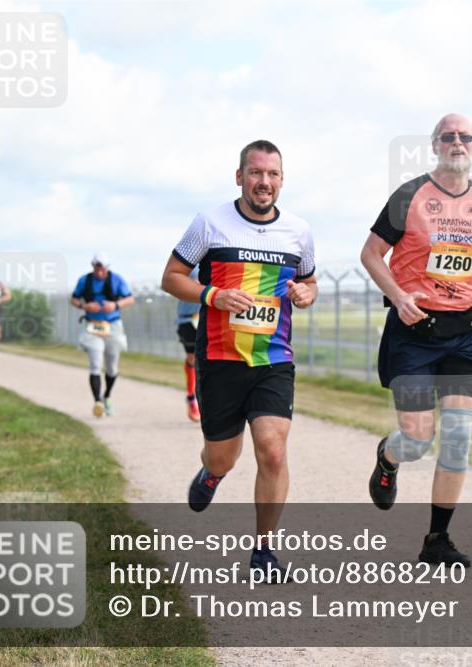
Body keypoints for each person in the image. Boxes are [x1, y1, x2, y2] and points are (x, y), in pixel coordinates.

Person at [161, 139, 317, 581]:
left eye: (272, 174)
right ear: (239, 177)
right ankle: (211, 475)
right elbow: (171, 277)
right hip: (219, 359)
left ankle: (264, 551)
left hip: (273, 359)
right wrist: (214, 295)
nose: (264, 182)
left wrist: (306, 294)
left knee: (273, 450)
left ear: (282, 180)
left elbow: (309, 283)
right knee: (223, 457)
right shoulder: (209, 223)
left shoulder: (299, 231)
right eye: (255, 173)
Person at [360, 113, 472, 567]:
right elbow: (371, 253)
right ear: (434, 145)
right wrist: (398, 295)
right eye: (448, 137)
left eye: (466, 137)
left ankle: (437, 540)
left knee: (459, 436)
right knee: (417, 438)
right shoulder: (409, 196)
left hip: (464, 335)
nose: (457, 143)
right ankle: (389, 457)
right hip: (414, 334)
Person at [70, 253, 135, 418]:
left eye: (102, 268)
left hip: (113, 326)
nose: (99, 271)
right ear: (93, 266)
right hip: (93, 326)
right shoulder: (84, 280)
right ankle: (97, 402)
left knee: (112, 367)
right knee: (96, 363)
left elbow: (130, 299)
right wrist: (84, 306)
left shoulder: (117, 280)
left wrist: (115, 305)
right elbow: (73, 299)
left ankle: (107, 396)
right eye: (96, 267)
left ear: (107, 267)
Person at [176, 266, 202, 422]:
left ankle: (205, 399)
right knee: (192, 358)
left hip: (209, 316)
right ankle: (191, 397)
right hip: (188, 319)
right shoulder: (188, 265)